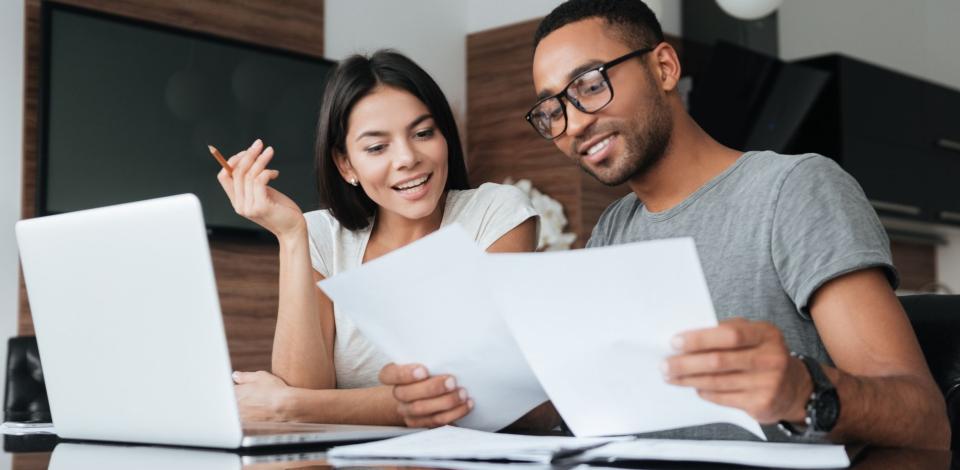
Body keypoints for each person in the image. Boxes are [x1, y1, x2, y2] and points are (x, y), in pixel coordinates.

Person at [381, 0, 950, 448]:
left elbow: (926, 421)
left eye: (589, 84)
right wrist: (461, 398)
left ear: (663, 66)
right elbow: (588, 407)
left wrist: (804, 390)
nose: (574, 123)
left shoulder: (794, 189)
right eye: (552, 109)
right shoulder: (613, 228)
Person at [215, 50, 540, 426]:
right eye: (376, 147)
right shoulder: (321, 235)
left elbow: (478, 391)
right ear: (345, 164)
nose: (407, 158)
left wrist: (290, 405)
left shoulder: (495, 214)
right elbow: (302, 388)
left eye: (423, 133)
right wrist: (290, 236)